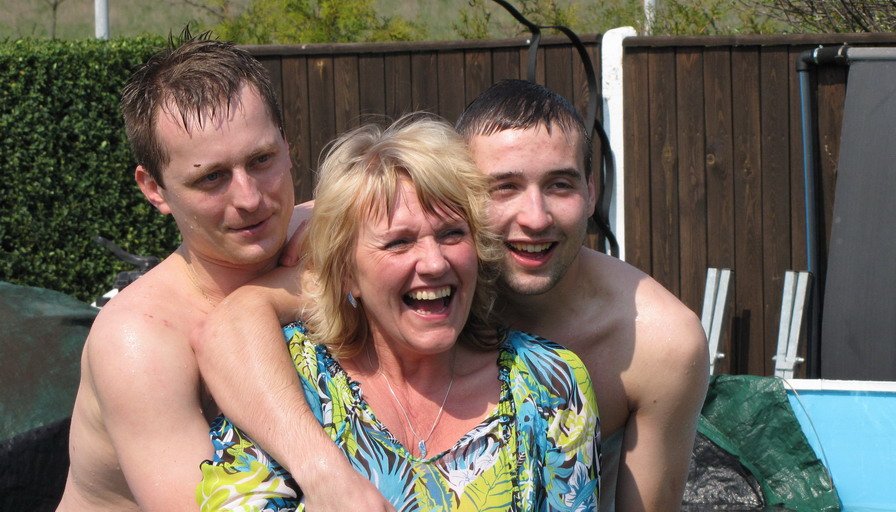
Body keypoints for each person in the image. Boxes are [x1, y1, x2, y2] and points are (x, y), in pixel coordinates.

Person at [193, 80, 708, 511]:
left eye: (560, 185)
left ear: (592, 192)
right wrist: (323, 472)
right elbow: (233, 324)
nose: (535, 218)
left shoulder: (641, 348)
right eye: (503, 187)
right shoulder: (313, 355)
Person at [56, 36, 391, 511]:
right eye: (211, 177)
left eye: (261, 160)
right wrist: (303, 283)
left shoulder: (336, 228)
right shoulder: (139, 344)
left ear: (287, 146)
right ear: (154, 189)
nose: (250, 198)